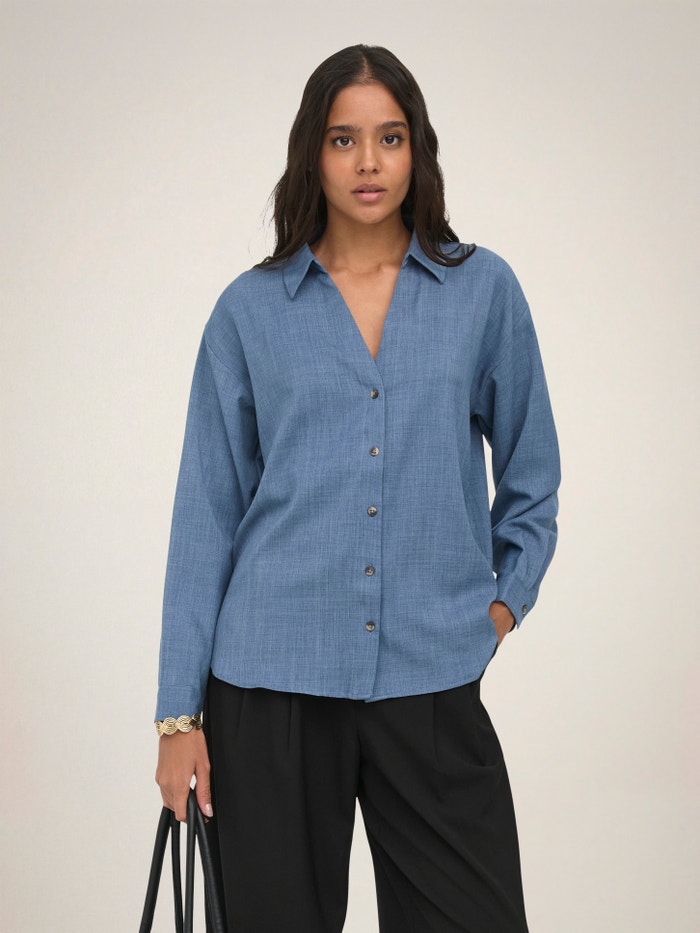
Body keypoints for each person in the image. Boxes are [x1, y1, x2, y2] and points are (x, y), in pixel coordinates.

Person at [154, 44, 560, 933]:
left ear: (418, 150)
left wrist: (499, 608)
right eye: (344, 139)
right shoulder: (250, 311)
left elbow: (532, 477)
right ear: (313, 151)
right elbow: (206, 515)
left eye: (390, 137)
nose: (368, 162)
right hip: (270, 688)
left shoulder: (482, 291)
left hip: (431, 674)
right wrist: (178, 718)